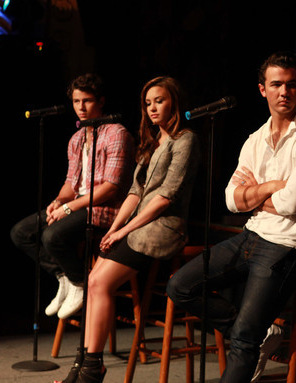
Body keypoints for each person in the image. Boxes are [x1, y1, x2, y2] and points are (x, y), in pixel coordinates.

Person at [166, 51, 296, 383]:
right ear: (262, 90)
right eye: (276, 85)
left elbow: (292, 204)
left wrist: (253, 196)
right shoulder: (254, 140)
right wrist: (271, 187)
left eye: (291, 85)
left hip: (289, 244)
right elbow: (230, 199)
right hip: (252, 235)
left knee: (243, 340)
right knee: (180, 286)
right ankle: (259, 332)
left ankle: (250, 334)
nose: (284, 92)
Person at [55, 76, 200, 383]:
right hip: (136, 224)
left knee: (102, 281)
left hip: (163, 226)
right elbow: (134, 192)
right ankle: (87, 364)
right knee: (93, 280)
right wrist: (115, 227)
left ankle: (92, 369)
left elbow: (164, 198)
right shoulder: (152, 141)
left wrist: (123, 232)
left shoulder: (185, 140)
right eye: (148, 103)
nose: (152, 109)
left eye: (159, 101)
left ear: (174, 101)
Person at [10, 73, 135, 320]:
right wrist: (57, 202)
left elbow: (110, 188)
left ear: (100, 101)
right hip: (79, 206)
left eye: (87, 101)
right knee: (21, 233)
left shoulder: (116, 133)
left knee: (52, 235)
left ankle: (79, 283)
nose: (81, 107)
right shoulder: (77, 138)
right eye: (77, 101)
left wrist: (68, 208)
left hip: (106, 210)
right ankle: (64, 277)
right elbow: (71, 183)